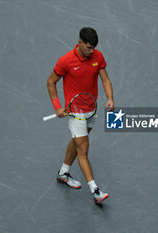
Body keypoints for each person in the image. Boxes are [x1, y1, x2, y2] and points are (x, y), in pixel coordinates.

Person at [46, 27, 114, 204]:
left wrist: (110, 98)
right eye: (89, 47)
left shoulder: (98, 57)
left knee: (77, 142)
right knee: (83, 149)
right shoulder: (66, 61)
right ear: (80, 43)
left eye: (94, 48)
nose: (92, 51)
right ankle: (96, 191)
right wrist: (57, 106)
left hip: (92, 109)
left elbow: (105, 79)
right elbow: (51, 82)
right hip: (75, 112)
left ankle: (63, 173)